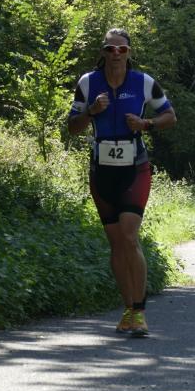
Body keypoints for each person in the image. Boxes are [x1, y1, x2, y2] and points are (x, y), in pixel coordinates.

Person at [67, 28, 176, 337]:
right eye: (110, 49)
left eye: (122, 49)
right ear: (102, 52)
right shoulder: (88, 83)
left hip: (135, 169)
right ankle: (128, 308)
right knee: (116, 243)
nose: (116, 54)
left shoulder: (144, 82)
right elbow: (72, 127)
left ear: (129, 53)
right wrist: (91, 111)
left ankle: (139, 312)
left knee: (129, 236)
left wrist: (146, 123)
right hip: (102, 171)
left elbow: (170, 116)